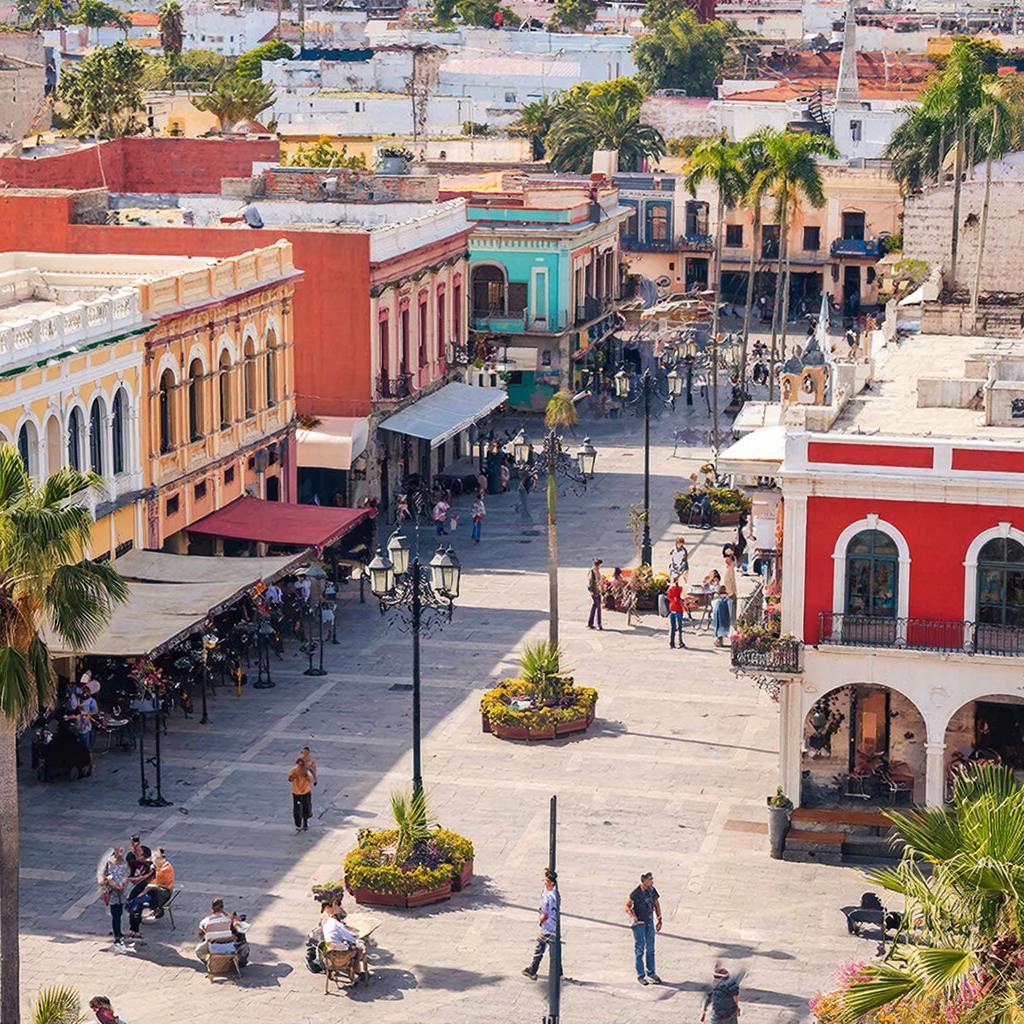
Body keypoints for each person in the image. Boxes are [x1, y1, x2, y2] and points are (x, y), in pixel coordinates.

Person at [625, 872, 662, 985]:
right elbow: (627, 906)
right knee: (640, 949)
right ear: (644, 881)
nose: (652, 881)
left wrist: (659, 918)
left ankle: (651, 972)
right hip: (640, 924)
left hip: (649, 921)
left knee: (650, 949)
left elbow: (656, 904)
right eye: (650, 879)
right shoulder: (636, 893)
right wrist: (633, 916)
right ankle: (641, 975)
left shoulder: (652, 890)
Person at [127, 849, 174, 937]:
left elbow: (151, 885)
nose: (153, 862)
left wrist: (141, 894)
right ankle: (133, 928)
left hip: (161, 894)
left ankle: (134, 928)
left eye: (154, 860)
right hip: (154, 891)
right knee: (137, 895)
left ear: (159, 859)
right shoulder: (160, 866)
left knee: (138, 903)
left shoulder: (164, 869)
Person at [523, 868, 559, 980]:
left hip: (548, 926)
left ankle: (532, 970)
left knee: (540, 948)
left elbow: (547, 912)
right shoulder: (550, 891)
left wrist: (542, 920)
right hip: (551, 926)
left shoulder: (551, 896)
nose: (545, 882)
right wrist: (547, 871)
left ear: (551, 883)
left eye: (547, 881)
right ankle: (559, 972)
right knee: (553, 949)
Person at [196, 897, 249, 967]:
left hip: (213, 950)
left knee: (198, 950)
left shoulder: (205, 921)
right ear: (222, 907)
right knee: (243, 943)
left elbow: (200, 934)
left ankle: (209, 961)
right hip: (230, 949)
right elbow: (238, 927)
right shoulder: (228, 918)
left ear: (212, 908)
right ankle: (241, 962)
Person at [320, 899, 364, 976]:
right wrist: (358, 939)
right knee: (358, 948)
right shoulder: (336, 924)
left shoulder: (326, 922)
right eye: (337, 905)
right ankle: (358, 972)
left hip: (328, 951)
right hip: (339, 953)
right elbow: (351, 938)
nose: (339, 908)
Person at [99, 846, 129, 951]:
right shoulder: (109, 864)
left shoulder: (122, 863)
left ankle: (119, 933)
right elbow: (107, 878)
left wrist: (123, 884)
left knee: (119, 914)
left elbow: (126, 875)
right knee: (116, 915)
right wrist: (117, 886)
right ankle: (117, 937)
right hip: (113, 894)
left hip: (121, 893)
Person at [289, 755, 313, 832]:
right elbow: (290, 779)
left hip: (305, 792)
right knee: (297, 809)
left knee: (306, 808)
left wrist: (306, 774)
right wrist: (295, 775)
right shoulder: (294, 770)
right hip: (297, 793)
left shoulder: (307, 771)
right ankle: (298, 824)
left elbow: (311, 779)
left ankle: (305, 823)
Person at [125, 835, 153, 900]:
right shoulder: (131, 858)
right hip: (137, 881)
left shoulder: (146, 852)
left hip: (145, 880)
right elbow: (131, 877)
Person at [667, 577, 686, 649]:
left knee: (672, 627)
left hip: (672, 608)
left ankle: (671, 643)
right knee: (679, 627)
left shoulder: (670, 589)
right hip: (678, 608)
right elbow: (683, 598)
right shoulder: (681, 589)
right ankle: (680, 642)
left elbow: (668, 597)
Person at [587, 558, 603, 630]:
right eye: (599, 565)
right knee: (598, 607)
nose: (600, 567)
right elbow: (591, 583)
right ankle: (599, 624)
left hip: (598, 591)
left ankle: (590, 623)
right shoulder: (592, 572)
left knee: (594, 606)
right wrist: (594, 592)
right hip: (595, 592)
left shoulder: (597, 571)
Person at [723, 553, 738, 626]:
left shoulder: (731, 569)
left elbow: (733, 582)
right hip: (729, 593)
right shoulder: (729, 569)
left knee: (731, 612)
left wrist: (733, 592)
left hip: (731, 594)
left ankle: (732, 625)